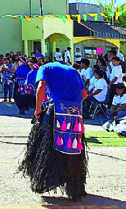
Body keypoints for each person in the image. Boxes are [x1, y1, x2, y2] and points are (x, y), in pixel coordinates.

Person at [19, 62, 87, 201]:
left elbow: (41, 86)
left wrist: (38, 109)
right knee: (74, 148)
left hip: (58, 109)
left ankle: (46, 180)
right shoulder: (74, 71)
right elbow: (84, 95)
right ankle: (75, 187)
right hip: (76, 113)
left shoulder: (44, 68)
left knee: (46, 146)